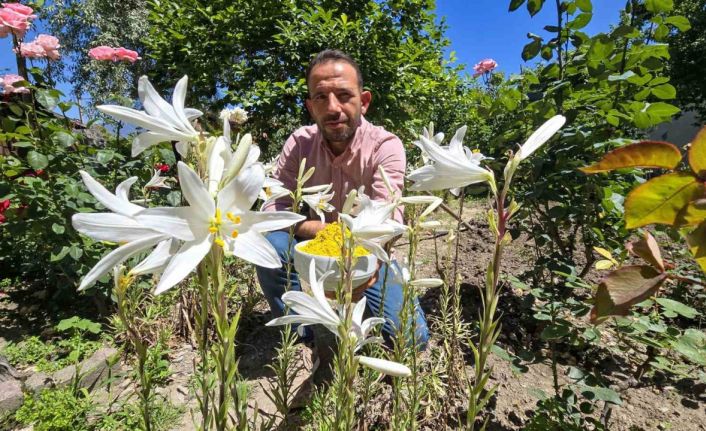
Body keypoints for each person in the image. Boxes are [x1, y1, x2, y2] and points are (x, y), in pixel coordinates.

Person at [257, 49, 429, 348]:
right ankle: (304, 334)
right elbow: (275, 208)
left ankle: (355, 318)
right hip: (310, 249)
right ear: (311, 107)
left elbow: (388, 218)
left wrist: (367, 265)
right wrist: (324, 233)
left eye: (344, 95)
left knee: (412, 340)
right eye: (321, 97)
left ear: (363, 101)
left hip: (366, 252)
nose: (333, 108)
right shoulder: (299, 143)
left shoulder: (385, 146)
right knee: (270, 245)